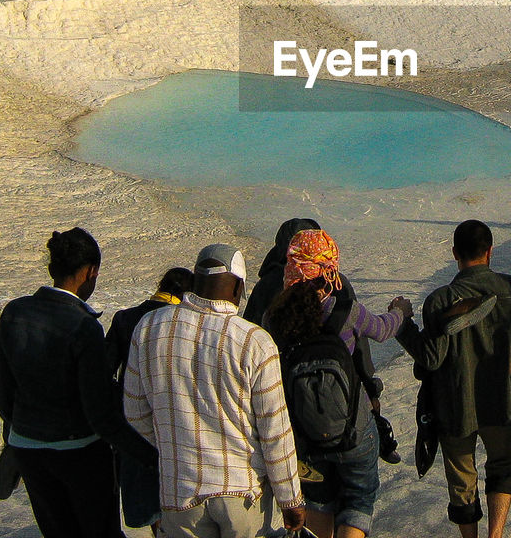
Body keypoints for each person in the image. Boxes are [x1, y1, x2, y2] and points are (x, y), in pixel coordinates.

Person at [124, 244, 306, 538]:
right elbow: (275, 431)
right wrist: (291, 498)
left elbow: (134, 411)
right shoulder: (254, 342)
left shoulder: (148, 328)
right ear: (238, 288)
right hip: (242, 492)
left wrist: (175, 444)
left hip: (179, 491)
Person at [0, 228, 157, 538]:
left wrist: (22, 430)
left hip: (28, 449)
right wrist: (148, 456)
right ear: (91, 272)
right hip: (78, 454)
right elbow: (100, 416)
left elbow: (3, 391)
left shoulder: (14, 312)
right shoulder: (84, 327)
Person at [263, 229, 411, 538]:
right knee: (358, 502)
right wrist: (401, 312)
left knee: (318, 503)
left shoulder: (273, 318)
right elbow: (383, 330)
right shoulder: (345, 311)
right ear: (330, 268)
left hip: (305, 433)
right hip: (354, 430)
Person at [394, 220, 511, 538]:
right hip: (500, 401)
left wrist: (402, 321)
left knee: (462, 482)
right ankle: (495, 536)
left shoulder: (440, 301)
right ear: (490, 251)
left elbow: (431, 358)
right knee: (501, 467)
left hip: (455, 406)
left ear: (454, 253)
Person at [246, 218, 401, 465]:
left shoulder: (267, 296)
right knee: (359, 496)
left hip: (294, 417)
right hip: (347, 412)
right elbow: (363, 344)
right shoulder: (336, 285)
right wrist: (372, 389)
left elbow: (250, 348)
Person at [106, 267, 194, 532]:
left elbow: (103, 372)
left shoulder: (125, 319)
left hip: (134, 426)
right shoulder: (184, 323)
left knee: (148, 499)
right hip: (177, 424)